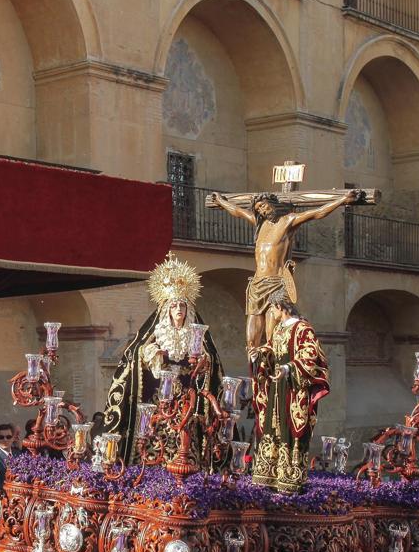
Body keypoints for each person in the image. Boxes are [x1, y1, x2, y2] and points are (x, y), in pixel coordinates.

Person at [98, 254, 223, 465]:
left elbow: (211, 361)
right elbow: (136, 353)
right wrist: (154, 354)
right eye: (174, 306)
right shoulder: (157, 332)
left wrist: (203, 361)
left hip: (186, 400)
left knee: (185, 436)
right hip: (157, 400)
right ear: (167, 310)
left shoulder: (195, 335)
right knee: (155, 438)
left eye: (182, 306)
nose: (179, 310)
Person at [212, 189, 356, 359]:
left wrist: (342, 200)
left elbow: (317, 213)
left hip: (277, 283)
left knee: (272, 338)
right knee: (251, 343)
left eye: (264, 207)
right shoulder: (260, 225)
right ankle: (258, 375)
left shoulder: (288, 221)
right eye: (258, 209)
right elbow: (238, 212)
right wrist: (221, 202)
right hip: (257, 283)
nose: (262, 211)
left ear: (272, 204)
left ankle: (276, 371)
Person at [249, 291, 329, 493]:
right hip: (276, 386)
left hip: (293, 387)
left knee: (289, 428)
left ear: (280, 307)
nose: (271, 312)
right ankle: (269, 474)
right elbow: (270, 351)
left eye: (272, 308)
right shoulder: (277, 330)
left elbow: (311, 358)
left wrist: (288, 368)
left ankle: (290, 477)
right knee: (272, 425)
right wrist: (258, 355)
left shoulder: (303, 328)